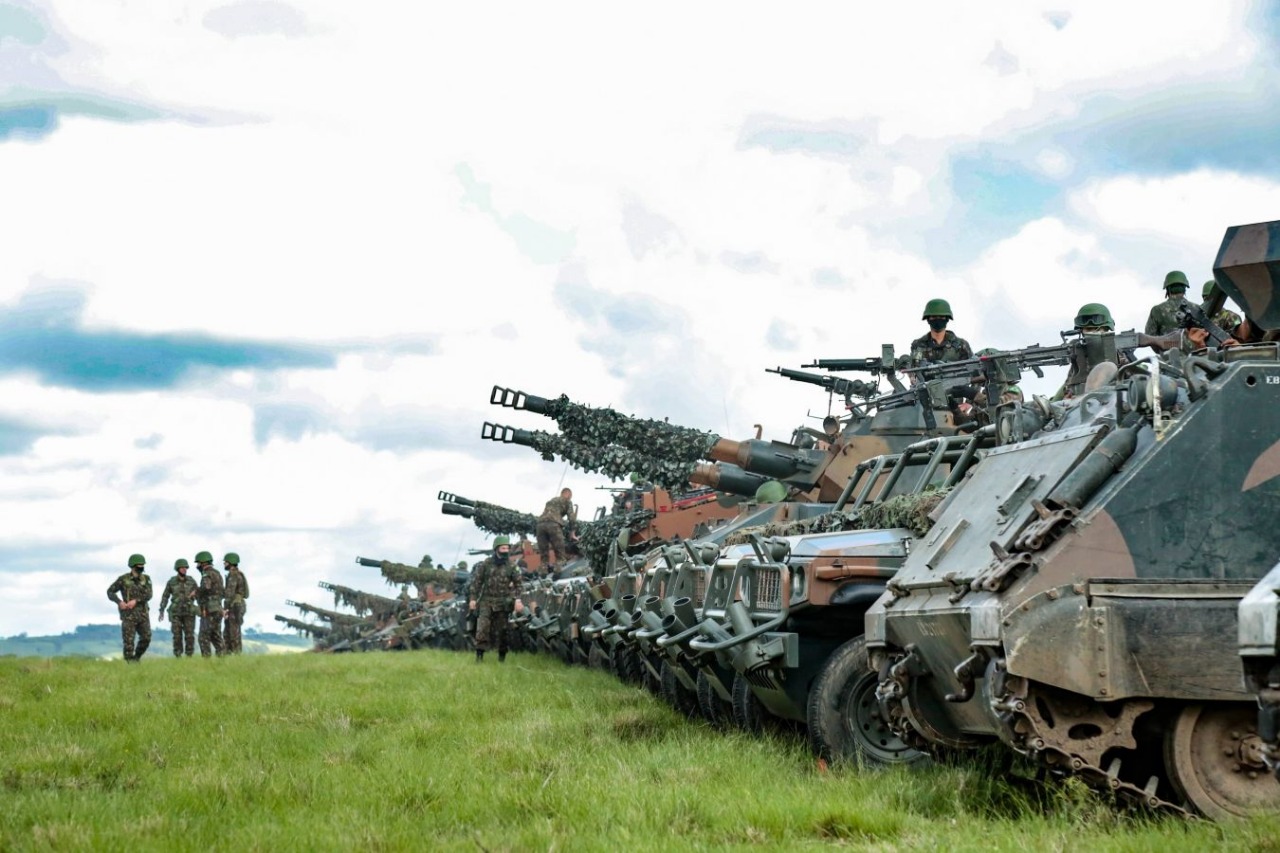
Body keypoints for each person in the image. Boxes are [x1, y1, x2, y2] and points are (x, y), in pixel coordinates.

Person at [467, 535, 522, 663]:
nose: (506, 551)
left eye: (507, 548)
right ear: (496, 549)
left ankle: (501, 658)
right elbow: (477, 582)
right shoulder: (486, 564)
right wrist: (473, 599)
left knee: (503, 631)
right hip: (486, 601)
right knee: (482, 629)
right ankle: (479, 657)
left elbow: (519, 585)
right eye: (503, 548)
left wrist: (518, 599)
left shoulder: (512, 566)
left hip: (503, 602)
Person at [106, 554, 153, 662]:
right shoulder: (123, 579)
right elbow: (110, 592)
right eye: (139, 565)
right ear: (132, 566)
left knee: (146, 638)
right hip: (128, 615)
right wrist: (119, 602)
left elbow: (149, 594)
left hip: (143, 615)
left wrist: (136, 601)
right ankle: (130, 664)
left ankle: (136, 658)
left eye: (142, 565)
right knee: (128, 643)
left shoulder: (146, 579)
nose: (141, 567)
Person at [909, 298, 973, 367]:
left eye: (941, 317)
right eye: (933, 317)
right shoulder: (918, 345)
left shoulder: (961, 345)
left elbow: (974, 370)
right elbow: (913, 372)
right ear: (928, 319)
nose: (937, 320)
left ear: (947, 319)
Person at [157, 557, 199, 657]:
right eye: (182, 567)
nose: (184, 569)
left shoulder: (191, 581)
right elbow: (165, 596)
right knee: (177, 636)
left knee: (189, 636)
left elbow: (199, 593)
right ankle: (178, 656)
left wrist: (195, 594)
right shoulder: (171, 582)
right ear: (177, 569)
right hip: (176, 612)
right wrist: (162, 610)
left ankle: (189, 656)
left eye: (186, 568)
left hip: (189, 612)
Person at [535, 487, 576, 573]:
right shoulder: (567, 501)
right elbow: (571, 518)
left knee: (544, 553)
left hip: (540, 525)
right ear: (568, 494)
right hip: (553, 524)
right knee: (559, 552)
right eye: (570, 496)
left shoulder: (551, 501)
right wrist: (572, 533)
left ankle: (543, 570)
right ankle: (558, 570)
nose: (570, 498)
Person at [194, 550, 225, 657]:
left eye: (198, 563)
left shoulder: (206, 574)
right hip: (218, 608)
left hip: (209, 609)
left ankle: (207, 661)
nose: (197, 566)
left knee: (203, 637)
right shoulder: (218, 574)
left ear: (203, 563)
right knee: (216, 635)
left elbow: (206, 587)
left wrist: (196, 591)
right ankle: (223, 659)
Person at [1144, 271, 1191, 335]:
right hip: (1193, 345)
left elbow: (1149, 336)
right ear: (1185, 288)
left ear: (1167, 289)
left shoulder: (1157, 310)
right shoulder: (1197, 309)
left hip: (1165, 344)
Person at [222, 552, 250, 655]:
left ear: (231, 562)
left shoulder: (233, 575)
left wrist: (225, 609)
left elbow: (229, 593)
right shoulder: (235, 573)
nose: (224, 564)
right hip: (235, 605)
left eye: (226, 562)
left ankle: (236, 657)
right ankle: (230, 657)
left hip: (235, 606)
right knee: (230, 632)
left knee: (233, 634)